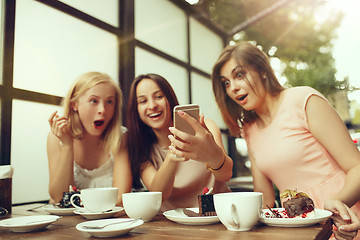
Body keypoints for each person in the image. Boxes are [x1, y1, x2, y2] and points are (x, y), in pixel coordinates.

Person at [211, 41, 360, 239]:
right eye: (226, 83)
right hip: (298, 229)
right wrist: (227, 208)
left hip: (345, 217)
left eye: (239, 75)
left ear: (262, 71)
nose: (233, 88)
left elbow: (356, 167)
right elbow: (265, 199)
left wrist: (336, 203)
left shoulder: (303, 99)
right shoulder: (249, 129)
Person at [124, 73, 233, 211]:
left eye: (159, 96)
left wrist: (212, 154)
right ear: (136, 110)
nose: (152, 105)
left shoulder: (204, 128)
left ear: (169, 99)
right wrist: (172, 154)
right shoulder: (141, 148)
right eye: (143, 101)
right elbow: (159, 195)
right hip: (172, 225)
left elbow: (225, 175)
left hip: (218, 215)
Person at [47, 72, 132, 205]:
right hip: (68, 222)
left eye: (109, 102)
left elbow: (121, 197)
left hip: (110, 219)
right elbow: (59, 197)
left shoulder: (120, 137)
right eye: (94, 101)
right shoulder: (55, 137)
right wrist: (67, 145)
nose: (102, 110)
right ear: (74, 105)